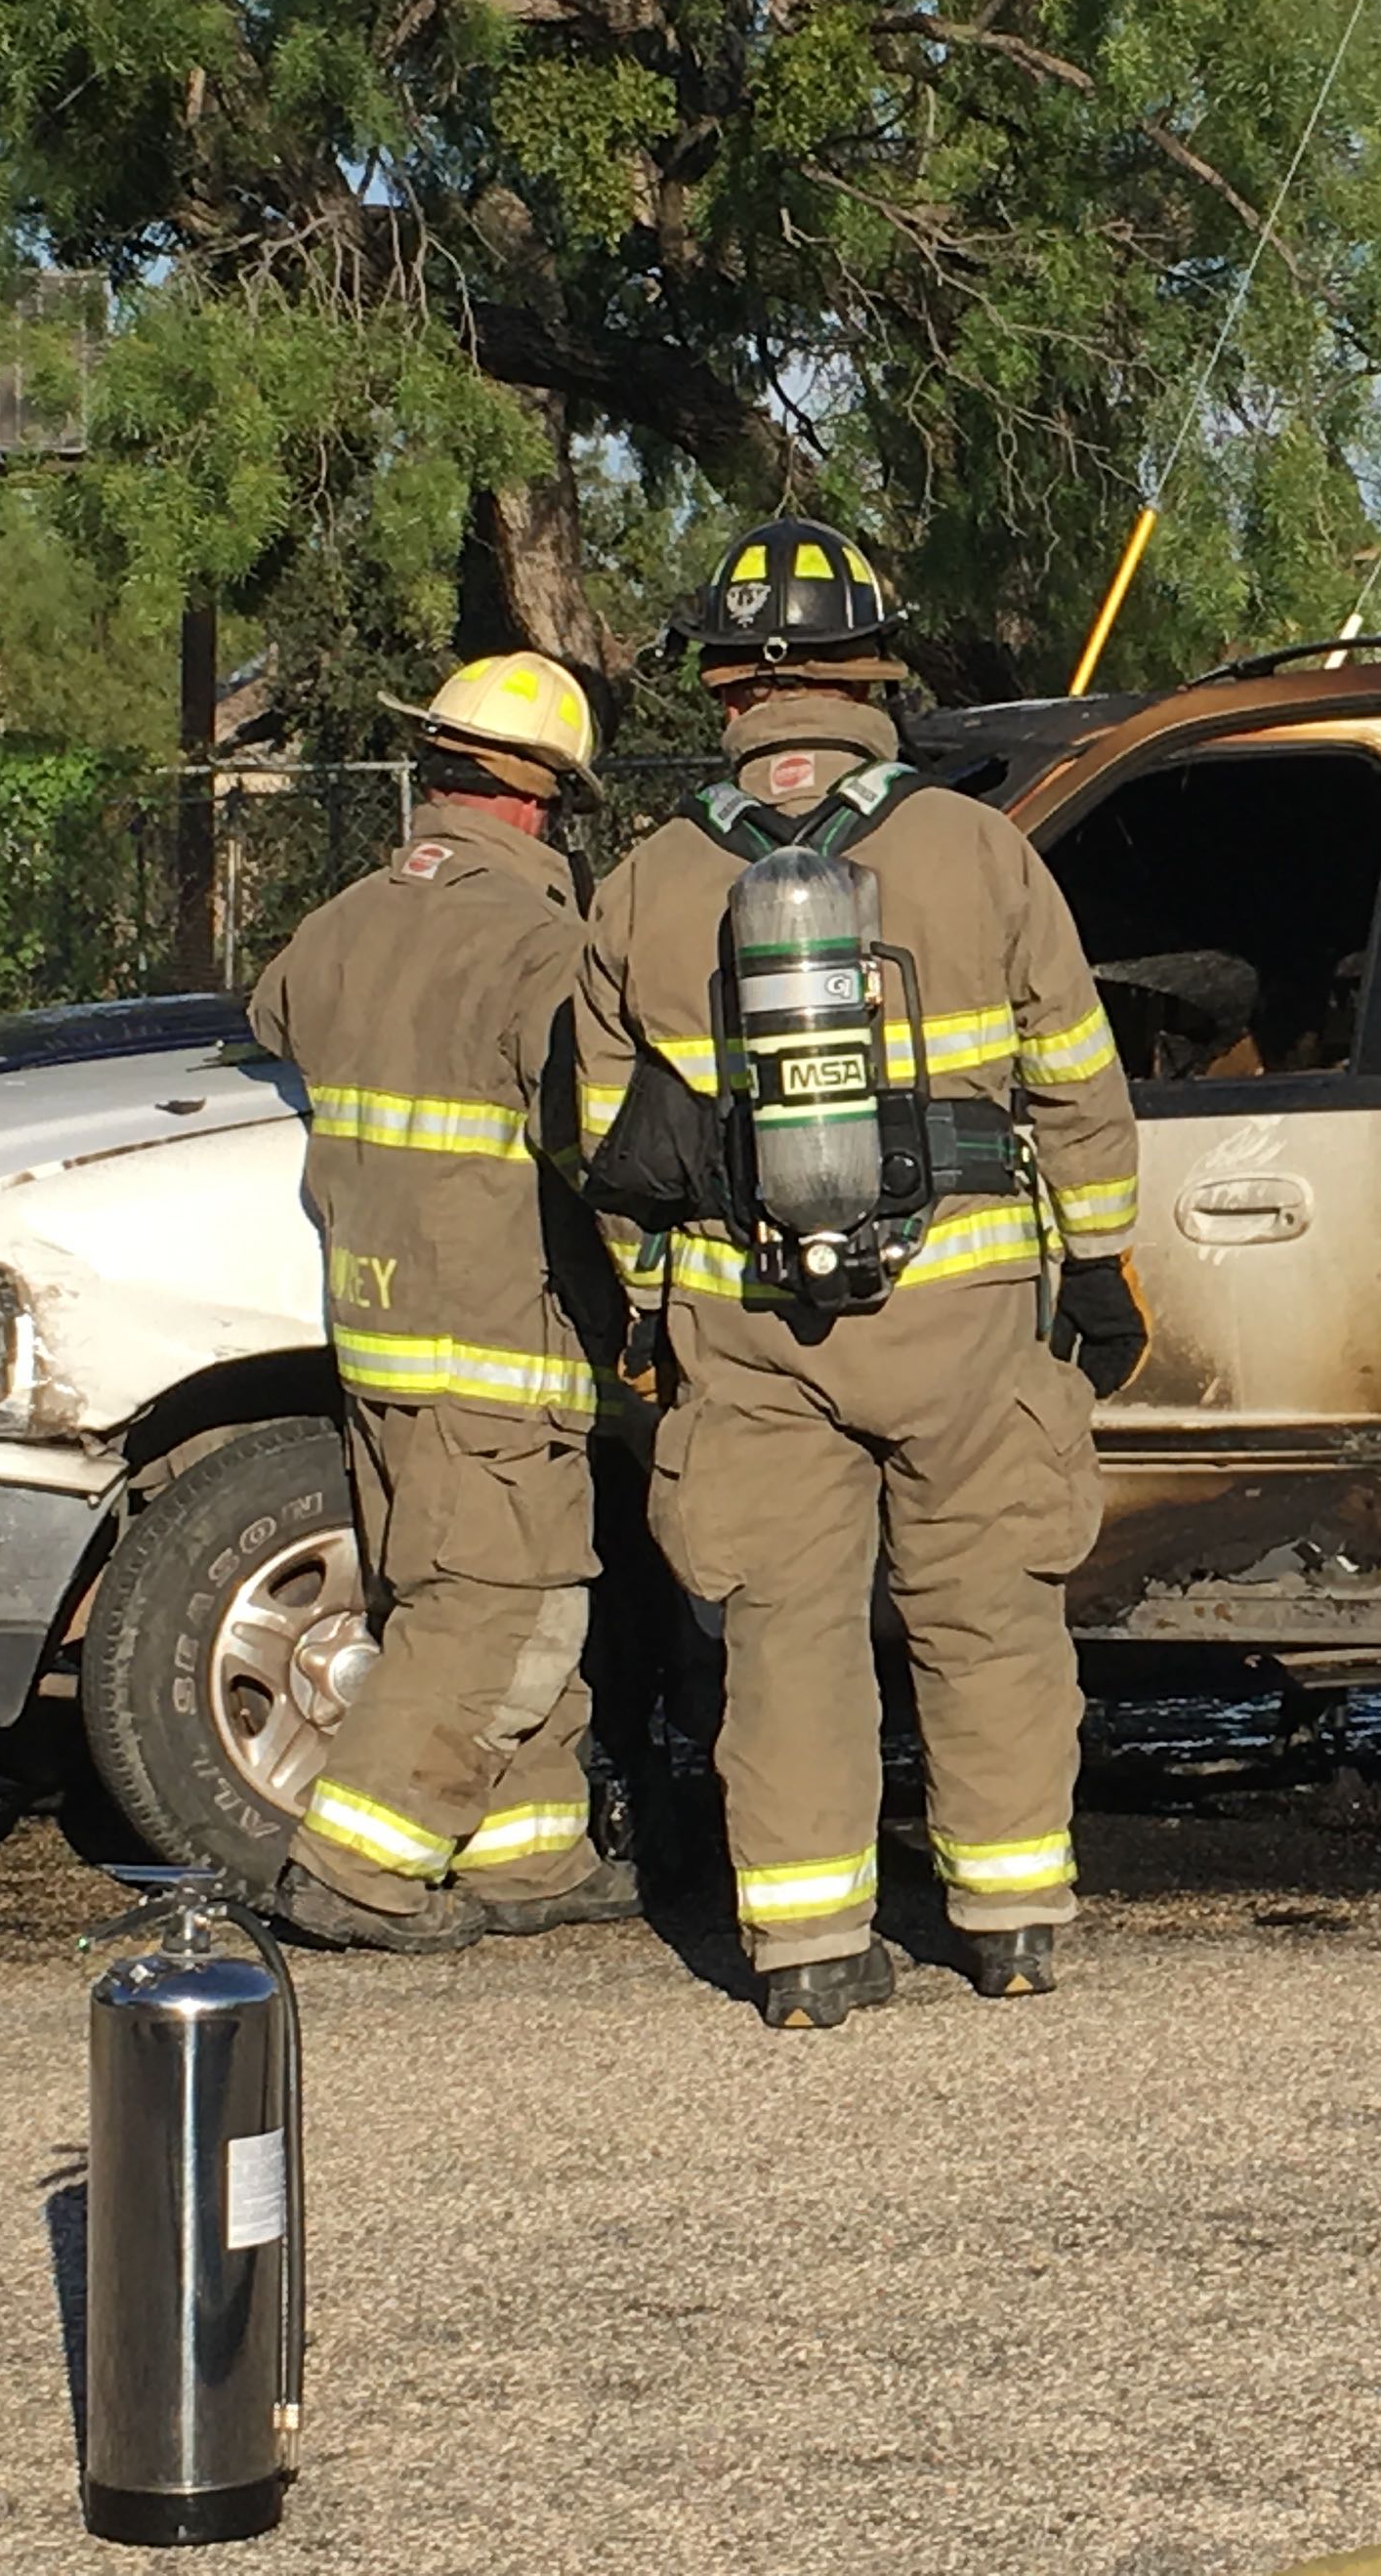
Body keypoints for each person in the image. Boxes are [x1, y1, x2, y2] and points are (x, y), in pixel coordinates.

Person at [565, 517, 1145, 2030]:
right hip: (959, 1309)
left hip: (749, 1318)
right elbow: (1078, 1076)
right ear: (873, 669)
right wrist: (1097, 1262)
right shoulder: (978, 848)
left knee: (786, 1630)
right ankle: (1010, 1916)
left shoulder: (643, 884)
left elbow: (611, 1146)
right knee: (988, 1611)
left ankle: (810, 1947)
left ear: (723, 684)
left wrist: (645, 1299)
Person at [248, 651, 640, 1954]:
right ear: (541, 805)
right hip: (499, 1335)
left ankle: (534, 1860)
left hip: (376, 1330)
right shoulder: (538, 949)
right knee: (503, 1606)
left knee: (458, 1592)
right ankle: (352, 1867)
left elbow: (274, 1012)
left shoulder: (345, 922)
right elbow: (604, 1140)